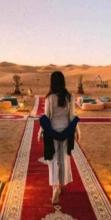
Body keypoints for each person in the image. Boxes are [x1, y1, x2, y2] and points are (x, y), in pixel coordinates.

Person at [38, 71, 80, 204]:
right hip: (66, 132)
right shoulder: (69, 97)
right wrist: (77, 130)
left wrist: (40, 131)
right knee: (63, 159)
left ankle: (55, 187)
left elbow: (47, 117)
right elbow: (72, 116)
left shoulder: (49, 98)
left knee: (53, 161)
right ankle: (60, 186)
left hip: (52, 133)